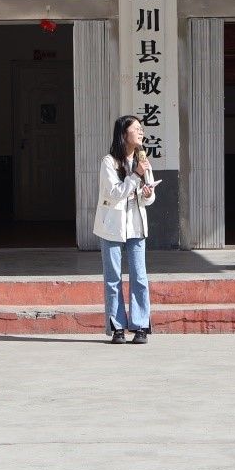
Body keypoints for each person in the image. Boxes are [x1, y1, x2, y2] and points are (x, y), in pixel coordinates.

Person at [92, 115, 157, 344]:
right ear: (123, 134)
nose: (141, 132)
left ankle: (140, 326)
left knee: (139, 276)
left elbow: (149, 198)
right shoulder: (109, 162)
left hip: (136, 227)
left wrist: (148, 193)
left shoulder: (143, 160)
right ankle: (117, 327)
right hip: (112, 227)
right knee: (113, 278)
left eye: (141, 129)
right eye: (136, 129)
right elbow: (115, 192)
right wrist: (136, 174)